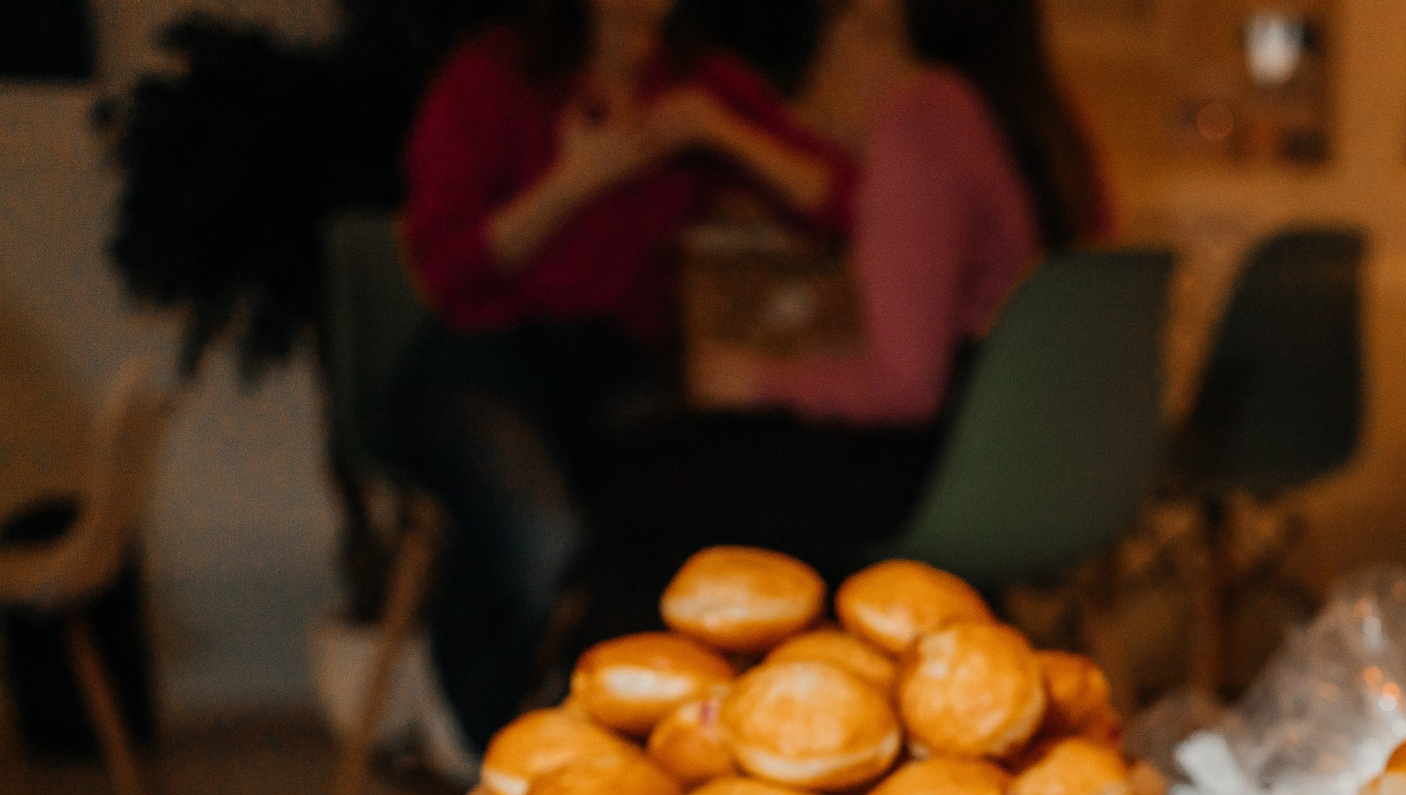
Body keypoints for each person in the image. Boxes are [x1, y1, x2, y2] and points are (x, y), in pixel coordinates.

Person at [574, 0, 1110, 641]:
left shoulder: (923, 113)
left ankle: (626, 718)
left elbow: (906, 389)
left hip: (936, 470)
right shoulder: (1028, 118)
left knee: (642, 481)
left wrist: (757, 381)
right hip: (1027, 463)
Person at [398, 0, 853, 747]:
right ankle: (500, 748)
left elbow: (842, 200)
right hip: (481, 359)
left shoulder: (696, 86)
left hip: (615, 365)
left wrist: (719, 128)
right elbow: (448, 269)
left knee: (680, 510)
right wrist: (579, 179)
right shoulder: (494, 74)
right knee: (539, 531)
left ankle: (627, 745)